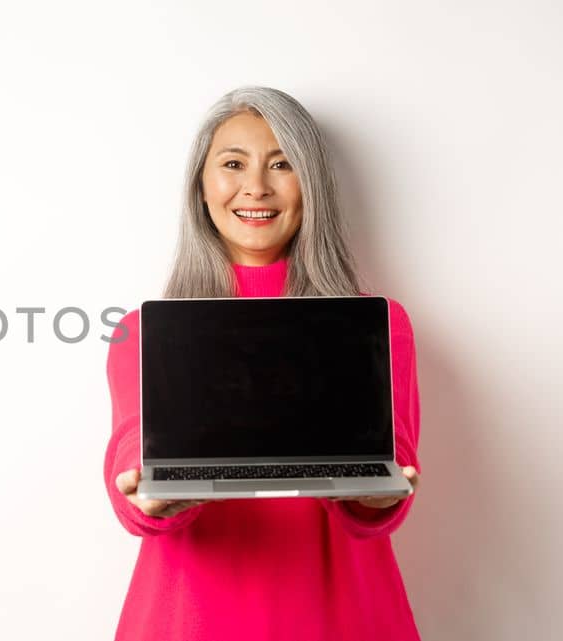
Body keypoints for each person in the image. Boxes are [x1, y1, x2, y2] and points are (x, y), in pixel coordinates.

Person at [103, 86, 424, 640]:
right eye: (233, 164)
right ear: (200, 189)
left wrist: (375, 497)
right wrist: (149, 498)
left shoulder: (380, 324)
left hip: (340, 615)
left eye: (283, 164)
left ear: (312, 188)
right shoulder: (142, 330)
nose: (256, 186)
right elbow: (131, 449)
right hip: (191, 617)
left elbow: (394, 464)